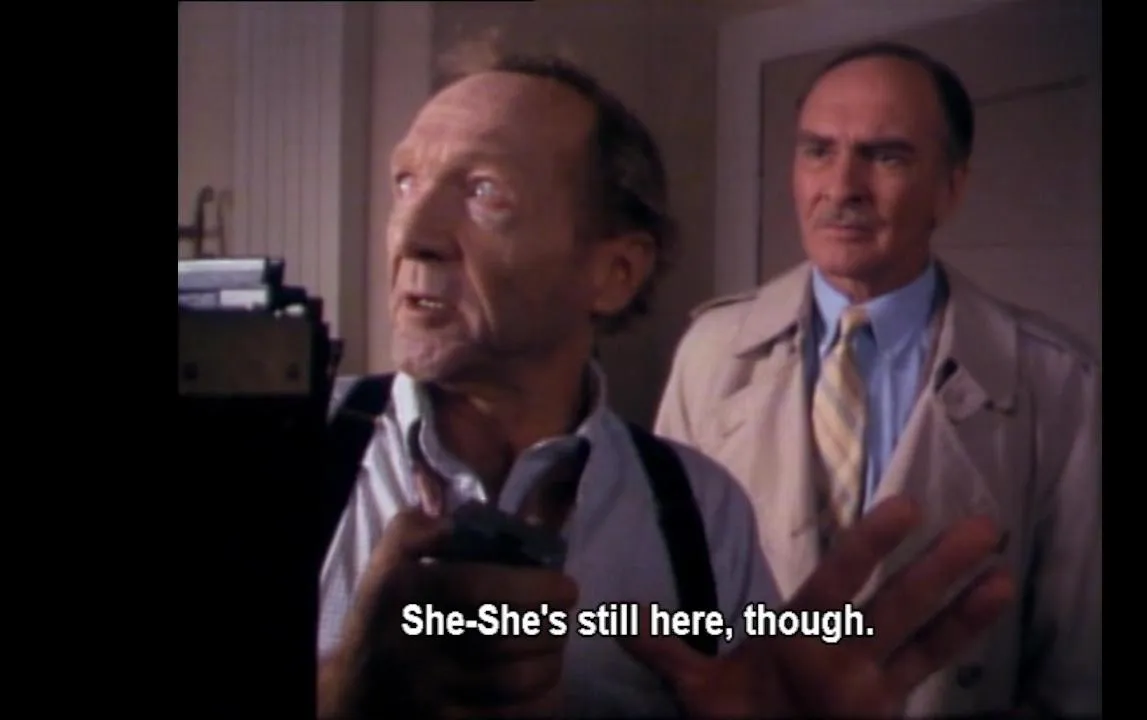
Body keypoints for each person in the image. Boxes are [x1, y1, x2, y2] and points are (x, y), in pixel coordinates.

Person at [316, 45, 1016, 719]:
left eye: (484, 190)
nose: (412, 232)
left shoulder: (703, 510)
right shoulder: (277, 456)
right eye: (405, 183)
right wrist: (344, 694)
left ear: (615, 272)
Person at [655, 41, 1102, 717]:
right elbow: (669, 598)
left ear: (951, 187)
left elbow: (1077, 671)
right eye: (818, 151)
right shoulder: (711, 352)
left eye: (886, 156)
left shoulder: (1057, 379)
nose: (841, 189)